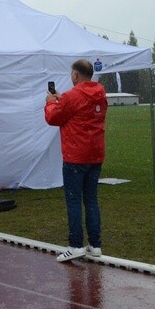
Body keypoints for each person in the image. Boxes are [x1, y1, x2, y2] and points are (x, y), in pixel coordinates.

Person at [45, 58, 108, 262]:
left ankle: (75, 244)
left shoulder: (72, 97)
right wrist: (62, 100)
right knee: (91, 199)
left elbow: (53, 118)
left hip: (75, 155)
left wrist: (51, 103)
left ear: (75, 75)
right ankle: (95, 244)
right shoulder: (100, 93)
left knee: (73, 200)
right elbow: (81, 109)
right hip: (95, 153)